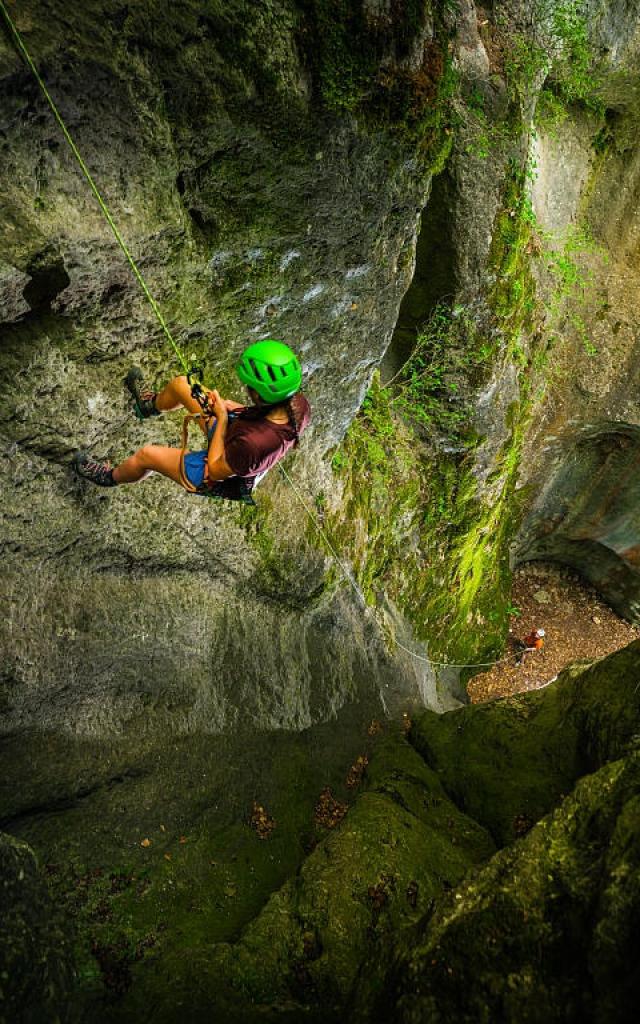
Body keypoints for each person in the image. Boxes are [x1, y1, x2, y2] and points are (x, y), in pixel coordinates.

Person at [73, 340, 310, 503]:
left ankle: (109, 477)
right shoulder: (297, 404)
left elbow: (216, 470)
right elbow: (259, 415)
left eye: (249, 388)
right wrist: (231, 408)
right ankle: (149, 406)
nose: (246, 390)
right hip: (237, 437)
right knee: (182, 385)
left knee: (147, 455)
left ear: (260, 394)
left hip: (220, 470)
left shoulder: (254, 445)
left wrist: (223, 417)